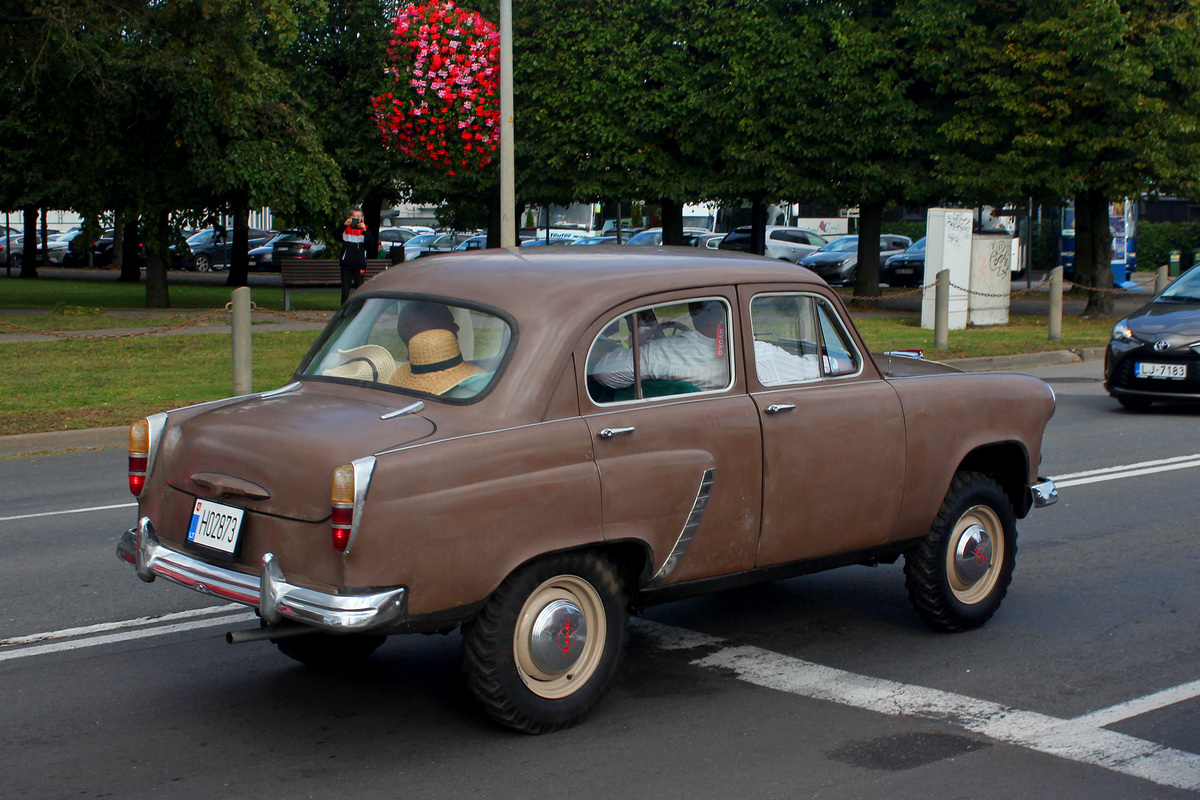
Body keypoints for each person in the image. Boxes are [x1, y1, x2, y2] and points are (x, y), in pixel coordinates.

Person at [337, 209, 376, 304]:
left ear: (362, 218)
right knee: (345, 290)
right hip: (346, 264)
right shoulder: (346, 229)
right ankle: (344, 311)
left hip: (359, 264)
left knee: (359, 288)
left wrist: (365, 230)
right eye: (354, 216)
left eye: (359, 216)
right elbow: (336, 234)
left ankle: (359, 308)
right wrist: (344, 225)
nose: (356, 218)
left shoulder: (366, 230)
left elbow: (371, 244)